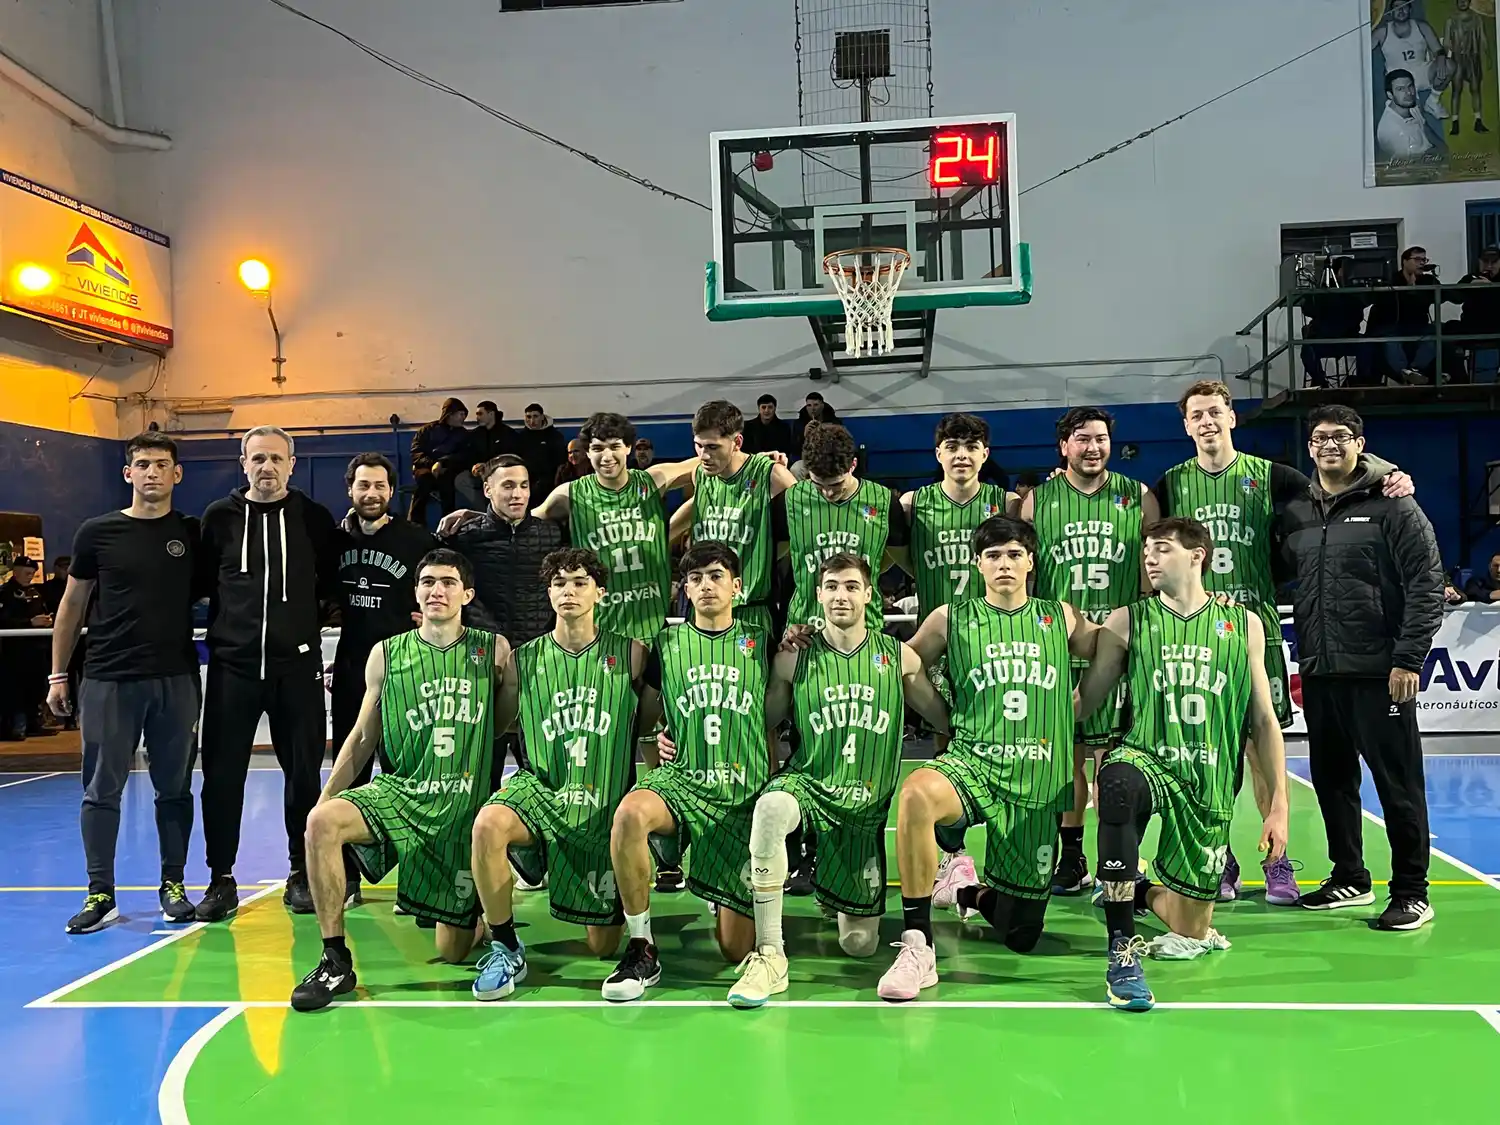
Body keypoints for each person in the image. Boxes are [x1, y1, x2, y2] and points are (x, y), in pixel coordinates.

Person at [1154, 381, 1411, 905]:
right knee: (1203, 753)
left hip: (1255, 627)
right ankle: (1215, 856)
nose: (1206, 421)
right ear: (1185, 425)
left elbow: (1336, 480)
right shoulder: (1169, 483)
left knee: (1262, 750)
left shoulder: (1271, 476)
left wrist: (1388, 472)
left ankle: (1276, 861)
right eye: (1196, 414)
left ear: (1232, 418)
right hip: (1190, 631)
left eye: (1215, 412)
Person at [878, 516, 1097, 1001]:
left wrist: (1078, 706)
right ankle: (918, 945)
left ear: (1031, 562)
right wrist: (944, 719)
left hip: (1038, 782)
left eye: (1014, 554)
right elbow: (906, 667)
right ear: (978, 564)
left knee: (1022, 935)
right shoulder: (951, 617)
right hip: (973, 764)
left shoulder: (1058, 616)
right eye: (994, 555)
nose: (1004, 564)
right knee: (917, 792)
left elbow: (1116, 644)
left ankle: (963, 891)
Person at [715, 553, 949, 1008]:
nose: (841, 595)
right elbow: (760, 720)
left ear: (868, 595)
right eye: (831, 587)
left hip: (861, 812)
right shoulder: (793, 661)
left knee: (858, 945)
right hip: (810, 786)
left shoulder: (897, 657)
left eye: (850, 586)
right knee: (770, 809)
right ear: (817, 595)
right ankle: (770, 955)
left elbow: (942, 717)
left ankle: (828, 879)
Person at [1077, 517, 1289, 1012]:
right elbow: (1084, 700)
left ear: (1198, 555)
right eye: (1146, 550)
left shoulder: (1244, 624)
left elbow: (1263, 720)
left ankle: (1135, 884)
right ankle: (1121, 950)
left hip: (1209, 779)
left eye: (1162, 548)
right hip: (1146, 756)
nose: (1149, 558)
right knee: (1118, 788)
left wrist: (1277, 806)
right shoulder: (1128, 620)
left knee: (1188, 926)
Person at [291, 549, 511, 1012]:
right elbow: (363, 736)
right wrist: (325, 796)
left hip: (461, 806)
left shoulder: (492, 649)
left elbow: (507, 724)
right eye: (428, 582)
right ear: (416, 593)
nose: (437, 590)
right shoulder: (386, 653)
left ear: (467, 594)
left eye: (449, 582)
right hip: (405, 794)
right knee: (322, 824)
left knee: (452, 952)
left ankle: (480, 915)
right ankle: (335, 960)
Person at [1279, 406, 1443, 929]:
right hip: (1322, 671)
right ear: (1310, 447)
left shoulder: (1394, 505)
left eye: (1341, 437)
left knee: (1398, 785)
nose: (1330, 445)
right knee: (1332, 779)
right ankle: (1349, 875)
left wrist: (1408, 658)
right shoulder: (1298, 512)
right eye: (1320, 437)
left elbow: (1426, 582)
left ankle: (1412, 891)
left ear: (1360, 443)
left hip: (1380, 671)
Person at [466, 547, 647, 1000]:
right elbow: (498, 726)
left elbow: (651, 724)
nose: (569, 591)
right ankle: (505, 945)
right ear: (548, 594)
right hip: (543, 792)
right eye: (559, 584)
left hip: (602, 802)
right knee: (489, 822)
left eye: (580, 582)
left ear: (600, 593)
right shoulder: (522, 662)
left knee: (602, 948)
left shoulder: (633, 655)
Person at [46, 433, 202, 934]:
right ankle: (100, 892)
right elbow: (72, 605)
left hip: (175, 678)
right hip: (109, 678)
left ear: (177, 474)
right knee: (100, 790)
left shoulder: (193, 533)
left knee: (174, 788)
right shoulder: (97, 532)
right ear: (127, 473)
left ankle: (173, 884)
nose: (152, 472)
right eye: (142, 464)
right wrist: (57, 673)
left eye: (161, 464)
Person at [604, 543, 772, 1002]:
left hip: (741, 791)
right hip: (682, 780)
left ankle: (721, 891)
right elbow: (647, 718)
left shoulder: (764, 642)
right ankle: (642, 945)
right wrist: (656, 742)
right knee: (629, 815)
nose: (706, 586)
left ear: (737, 585)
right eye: (695, 578)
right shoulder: (667, 643)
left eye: (716, 576)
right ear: (684, 589)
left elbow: (780, 717)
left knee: (734, 951)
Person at [196, 426, 340, 922]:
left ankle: (300, 872)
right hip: (233, 669)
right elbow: (199, 583)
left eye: (276, 458)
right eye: (257, 458)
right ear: (243, 463)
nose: (267, 467)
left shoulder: (313, 519)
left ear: (292, 464)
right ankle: (220, 878)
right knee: (221, 776)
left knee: (302, 775)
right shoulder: (218, 519)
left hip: (295, 668)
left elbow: (332, 581)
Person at [1022, 407, 1157, 895]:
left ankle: (1118, 862)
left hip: (1119, 644)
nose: (1093, 447)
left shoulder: (1137, 496)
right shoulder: (1038, 501)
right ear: (1064, 447)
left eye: (1101, 438)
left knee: (1115, 763)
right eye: (1083, 439)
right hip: (1060, 645)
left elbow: (1150, 571)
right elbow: (1030, 578)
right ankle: (1072, 855)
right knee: (1066, 759)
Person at [330, 452, 436, 903]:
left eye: (379, 486)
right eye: (363, 485)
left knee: (408, 776)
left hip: (406, 672)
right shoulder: (332, 541)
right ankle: (350, 875)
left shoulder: (416, 540)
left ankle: (416, 878)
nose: (371, 494)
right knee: (352, 774)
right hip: (354, 669)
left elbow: (444, 586)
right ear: (350, 489)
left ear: (392, 492)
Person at [526, 412, 697, 644]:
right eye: (598, 448)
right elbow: (520, 520)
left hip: (652, 625)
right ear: (588, 452)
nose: (607, 456)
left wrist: (756, 460)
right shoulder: (570, 494)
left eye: (614, 446)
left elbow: (709, 458)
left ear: (628, 447)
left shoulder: (653, 481)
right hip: (600, 630)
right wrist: (473, 515)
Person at [670, 400, 799, 636]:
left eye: (712, 447)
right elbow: (693, 507)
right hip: (702, 609)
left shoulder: (770, 473)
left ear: (737, 442)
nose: (704, 455)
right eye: (698, 446)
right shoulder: (700, 474)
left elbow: (808, 519)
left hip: (750, 610)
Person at [782, 422, 909, 643]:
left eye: (836, 484)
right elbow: (777, 563)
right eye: (818, 485)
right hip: (805, 631)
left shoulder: (885, 502)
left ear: (853, 465)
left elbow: (901, 559)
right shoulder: (790, 499)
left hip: (867, 628)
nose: (828, 493)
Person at [1368, 247, 1440, 384]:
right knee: (1390, 339)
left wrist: (1415, 290)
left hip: (1419, 326)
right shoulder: (1392, 280)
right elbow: (1381, 303)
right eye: (1417, 259)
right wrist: (1408, 289)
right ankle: (1403, 374)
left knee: (1436, 333)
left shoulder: (1428, 281)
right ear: (1405, 261)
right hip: (1394, 326)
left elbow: (1441, 297)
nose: (1422, 263)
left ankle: (1415, 371)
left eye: (1424, 259)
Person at [0, 556, 50, 739]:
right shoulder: (5, 593)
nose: (30, 577)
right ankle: (16, 726)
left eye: (33, 574)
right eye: (27, 573)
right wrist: (29, 623)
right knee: (16, 691)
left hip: (35, 649)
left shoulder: (35, 592)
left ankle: (33, 723)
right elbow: (4, 620)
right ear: (16, 571)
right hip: (14, 650)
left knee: (35, 687)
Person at [409, 397, 472, 525]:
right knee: (423, 481)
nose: (463, 418)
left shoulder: (464, 435)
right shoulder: (427, 430)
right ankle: (415, 524)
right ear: (450, 414)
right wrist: (431, 464)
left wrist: (442, 463)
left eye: (464, 415)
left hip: (448, 469)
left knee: (446, 481)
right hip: (425, 468)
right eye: (460, 414)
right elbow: (416, 452)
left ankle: (448, 523)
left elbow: (464, 456)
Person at [457, 401, 515, 510]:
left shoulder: (507, 434)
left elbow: (509, 457)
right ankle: (484, 511)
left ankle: (497, 510)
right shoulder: (475, 435)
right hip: (480, 473)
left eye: (480, 414)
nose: (477, 417)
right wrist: (473, 466)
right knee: (461, 480)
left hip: (500, 472)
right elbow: (468, 454)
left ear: (491, 414)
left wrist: (489, 465)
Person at [1444, 0, 1488, 135]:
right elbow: (1446, 41)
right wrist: (1446, 60)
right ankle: (1455, 123)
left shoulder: (1477, 19)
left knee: (1475, 89)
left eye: (1465, 0)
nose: (1463, 2)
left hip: (1473, 58)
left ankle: (1478, 121)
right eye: (1460, 0)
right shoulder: (1451, 20)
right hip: (1457, 58)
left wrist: (1488, 56)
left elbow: (1483, 38)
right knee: (1456, 90)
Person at [513, 403, 570, 497]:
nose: (532, 420)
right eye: (528, 417)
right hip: (527, 483)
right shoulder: (520, 437)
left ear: (542, 417)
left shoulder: (555, 436)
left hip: (550, 485)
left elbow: (560, 461)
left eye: (535, 416)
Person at [741, 393, 795, 458]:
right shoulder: (747, 426)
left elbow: (785, 451)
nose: (766, 410)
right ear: (759, 409)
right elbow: (744, 451)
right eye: (763, 407)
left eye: (770, 407)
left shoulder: (784, 428)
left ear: (775, 408)